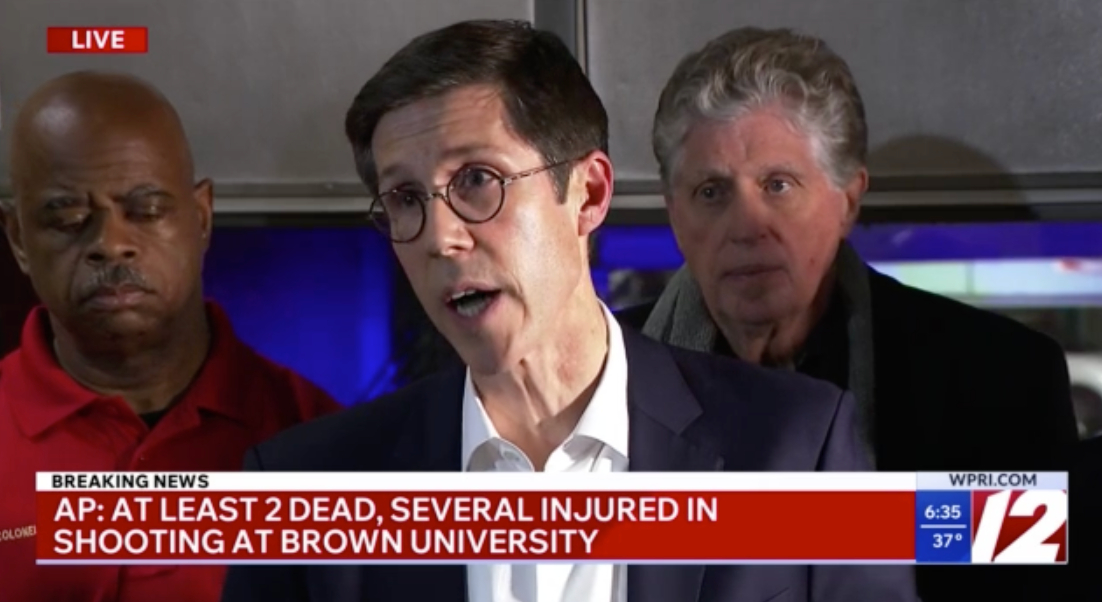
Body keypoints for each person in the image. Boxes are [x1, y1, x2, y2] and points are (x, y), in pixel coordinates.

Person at [220, 19, 917, 602]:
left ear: (588, 194)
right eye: (406, 199)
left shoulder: (795, 447)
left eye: (477, 180)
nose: (441, 237)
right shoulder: (308, 489)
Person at [617, 27, 1080, 600]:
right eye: (711, 192)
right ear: (673, 214)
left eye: (778, 185)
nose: (746, 226)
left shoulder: (1000, 379)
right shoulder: (600, 378)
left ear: (849, 200)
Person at [0, 71, 341, 602]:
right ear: (19, 240)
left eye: (147, 211)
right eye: (69, 219)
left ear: (201, 218)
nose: (111, 242)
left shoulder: (318, 437)